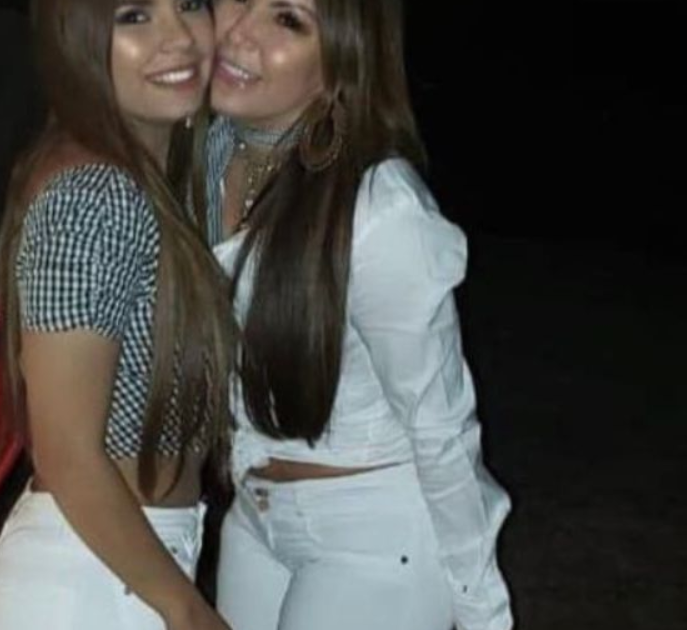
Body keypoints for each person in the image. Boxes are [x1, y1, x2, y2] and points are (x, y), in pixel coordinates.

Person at [203, 1, 515, 629]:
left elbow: (441, 426)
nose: (240, 30)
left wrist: (484, 612)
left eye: (287, 19)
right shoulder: (205, 159)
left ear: (340, 62)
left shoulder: (378, 209)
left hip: (375, 537)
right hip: (255, 518)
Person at [0, 1, 238, 629]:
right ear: (79, 41)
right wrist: (184, 607)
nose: (177, 37)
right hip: (93, 574)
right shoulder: (96, 195)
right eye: (134, 16)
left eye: (189, 5)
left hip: (116, 562)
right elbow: (66, 450)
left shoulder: (150, 175)